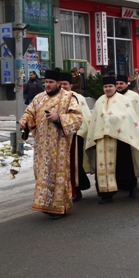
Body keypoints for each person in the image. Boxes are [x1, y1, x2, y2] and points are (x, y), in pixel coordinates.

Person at [85, 76, 139, 204]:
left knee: (124, 166)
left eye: (110, 86)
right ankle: (106, 194)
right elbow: (94, 121)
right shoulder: (99, 101)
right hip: (102, 140)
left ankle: (130, 187)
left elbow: (129, 118)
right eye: (105, 87)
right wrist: (93, 138)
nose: (108, 89)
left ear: (114, 87)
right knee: (103, 168)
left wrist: (115, 120)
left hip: (120, 138)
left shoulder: (124, 100)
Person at [19, 69, 84, 219]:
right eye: (46, 82)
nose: (47, 85)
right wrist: (25, 121)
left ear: (58, 83)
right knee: (42, 175)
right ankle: (45, 204)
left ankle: (59, 207)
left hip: (59, 147)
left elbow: (77, 118)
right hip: (42, 147)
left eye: (51, 82)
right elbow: (29, 113)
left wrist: (59, 118)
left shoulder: (68, 97)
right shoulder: (38, 98)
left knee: (57, 177)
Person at [57, 72, 92, 202]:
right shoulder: (55, 98)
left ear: (71, 85)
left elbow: (85, 116)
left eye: (65, 84)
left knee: (75, 164)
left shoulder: (78, 98)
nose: (63, 86)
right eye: (61, 84)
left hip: (77, 135)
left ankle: (77, 189)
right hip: (60, 136)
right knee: (62, 165)